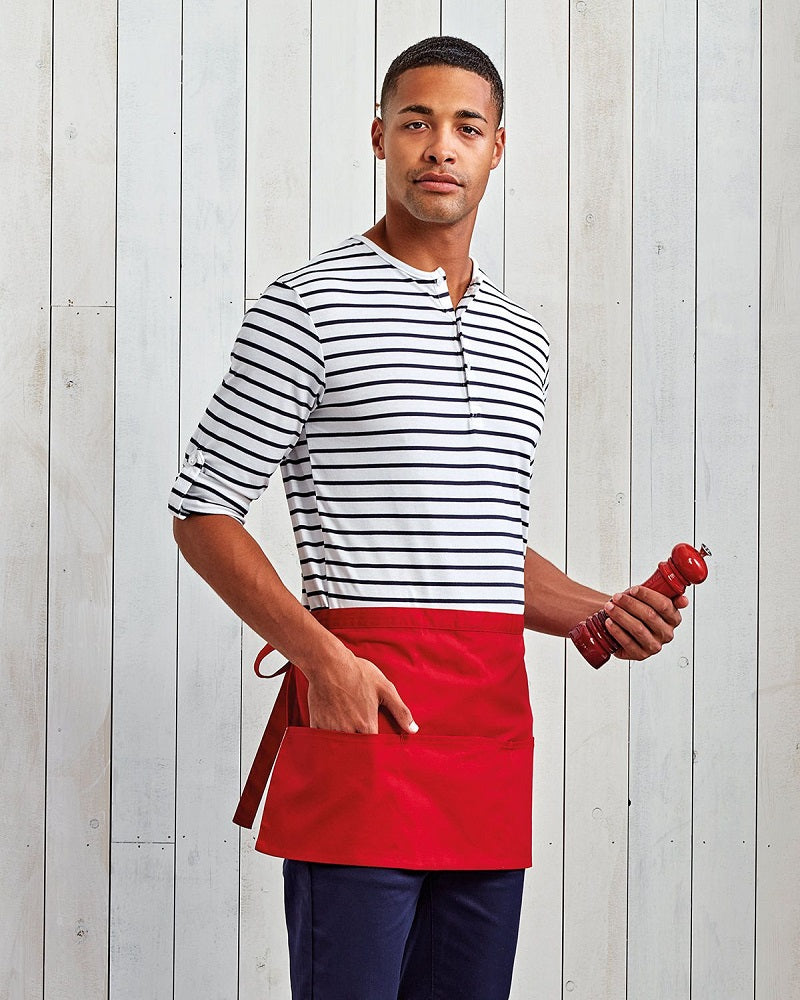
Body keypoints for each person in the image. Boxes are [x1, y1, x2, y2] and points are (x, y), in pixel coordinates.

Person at [169, 35, 686, 1000]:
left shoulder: (520, 336)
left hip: (489, 732)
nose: (439, 146)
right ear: (380, 138)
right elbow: (202, 510)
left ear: (498, 150)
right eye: (416, 122)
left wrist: (596, 609)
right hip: (364, 710)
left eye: (466, 127)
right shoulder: (308, 305)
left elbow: (482, 543)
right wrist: (322, 659)